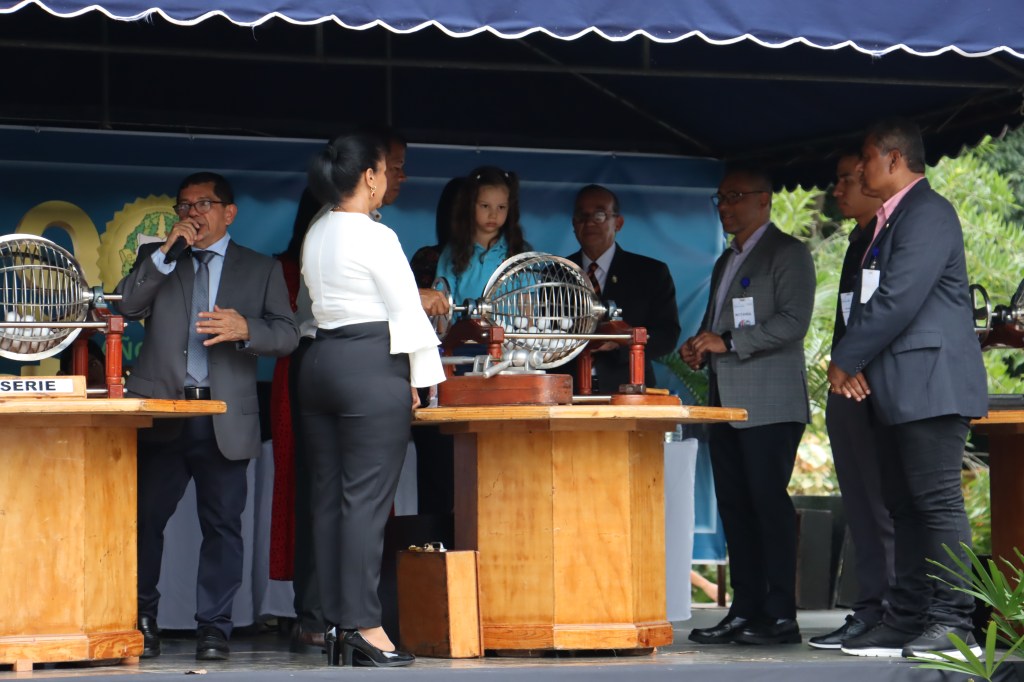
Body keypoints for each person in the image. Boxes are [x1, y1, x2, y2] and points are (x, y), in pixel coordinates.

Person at [115, 171, 299, 661]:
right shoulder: (158, 259)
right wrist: (162, 253)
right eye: (184, 206)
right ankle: (142, 617)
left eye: (203, 204)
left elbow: (287, 335)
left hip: (224, 415)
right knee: (145, 521)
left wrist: (247, 328)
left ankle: (214, 628)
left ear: (229, 212)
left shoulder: (259, 268)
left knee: (223, 526)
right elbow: (126, 304)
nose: (191, 214)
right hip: (164, 411)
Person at [828, 119, 987, 661]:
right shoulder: (888, 224)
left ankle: (953, 622)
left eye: (867, 160)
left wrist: (844, 359)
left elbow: (897, 299)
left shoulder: (928, 213)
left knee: (937, 505)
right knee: (904, 507)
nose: (861, 169)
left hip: (932, 385)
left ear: (894, 160)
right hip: (899, 388)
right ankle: (909, 617)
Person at [298, 132, 444, 667]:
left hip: (319, 362)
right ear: (368, 177)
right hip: (368, 362)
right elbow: (408, 312)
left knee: (329, 500)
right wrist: (424, 381)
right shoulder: (376, 235)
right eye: (384, 171)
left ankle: (334, 623)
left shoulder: (316, 232)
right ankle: (364, 624)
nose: (387, 181)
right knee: (365, 501)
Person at [680, 167, 815, 646]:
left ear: (765, 200)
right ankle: (744, 609)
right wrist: (700, 344)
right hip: (726, 403)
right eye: (720, 197)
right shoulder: (726, 260)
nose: (724, 206)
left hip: (772, 404)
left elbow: (794, 322)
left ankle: (780, 616)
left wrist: (730, 341)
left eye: (735, 197)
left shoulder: (788, 252)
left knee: (767, 504)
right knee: (735, 508)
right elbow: (717, 323)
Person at [807, 153, 895, 650]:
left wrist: (856, 365)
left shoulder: (891, 237)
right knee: (859, 507)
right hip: (847, 387)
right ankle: (867, 608)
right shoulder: (858, 240)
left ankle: (889, 611)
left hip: (876, 388)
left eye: (847, 179)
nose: (838, 189)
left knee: (882, 507)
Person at [564, 184, 680, 392]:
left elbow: (667, 335)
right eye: (582, 216)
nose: (589, 222)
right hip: (568, 388)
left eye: (600, 215)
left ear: (618, 223)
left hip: (629, 388)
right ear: (574, 224)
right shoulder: (557, 272)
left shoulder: (651, 272)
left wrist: (622, 343)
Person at [435, 166, 528, 305]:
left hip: (508, 328)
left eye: (501, 207)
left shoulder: (519, 251)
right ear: (469, 205)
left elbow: (527, 303)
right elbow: (441, 304)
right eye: (485, 206)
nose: (493, 214)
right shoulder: (454, 252)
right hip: (462, 327)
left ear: (510, 208)